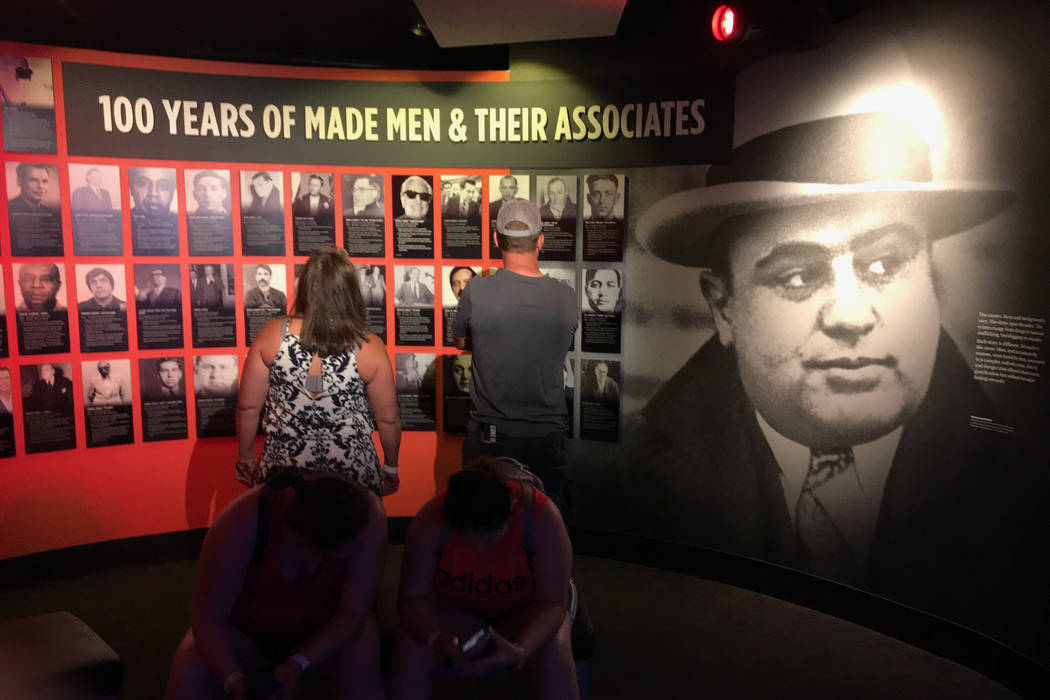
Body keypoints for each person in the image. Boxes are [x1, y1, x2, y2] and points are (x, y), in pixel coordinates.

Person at [623, 111, 1044, 631]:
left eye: (885, 265)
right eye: (798, 275)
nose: (850, 316)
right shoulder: (631, 483)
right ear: (724, 306)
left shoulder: (1025, 493)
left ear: (930, 278)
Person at [163, 468, 386, 700]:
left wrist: (299, 662)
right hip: (247, 635)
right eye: (350, 550)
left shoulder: (367, 519)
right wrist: (234, 680)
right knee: (189, 674)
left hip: (324, 631)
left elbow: (353, 613)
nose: (360, 550)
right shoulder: (241, 522)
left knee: (360, 659)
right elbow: (208, 618)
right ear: (307, 542)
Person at [389, 460, 577, 700]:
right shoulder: (431, 519)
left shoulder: (542, 517)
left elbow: (552, 603)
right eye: (469, 541)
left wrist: (521, 650)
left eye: (489, 540)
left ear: (513, 507)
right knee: (410, 645)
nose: (479, 551)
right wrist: (435, 637)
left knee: (555, 648)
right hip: (458, 609)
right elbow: (412, 597)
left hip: (526, 609)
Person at [235, 247, 400, 498]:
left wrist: (247, 459)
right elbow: (388, 419)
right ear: (350, 291)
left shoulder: (272, 334)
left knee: (285, 534)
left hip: (286, 473)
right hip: (351, 473)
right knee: (354, 536)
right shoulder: (369, 347)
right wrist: (390, 466)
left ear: (305, 287)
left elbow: (248, 408)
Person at [452, 199, 577, 515]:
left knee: (481, 527)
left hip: (490, 434)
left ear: (496, 240)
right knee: (549, 530)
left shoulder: (476, 291)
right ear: (540, 241)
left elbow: (459, 341)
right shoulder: (566, 295)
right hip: (547, 434)